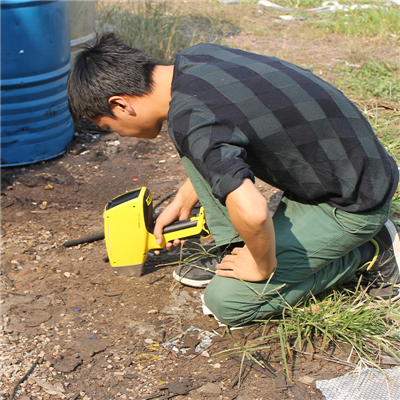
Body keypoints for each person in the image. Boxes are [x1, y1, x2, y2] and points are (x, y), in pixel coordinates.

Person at [67, 33, 400, 327]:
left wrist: (261, 265)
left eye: (109, 127)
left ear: (121, 105)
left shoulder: (190, 120)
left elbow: (253, 211)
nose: (120, 135)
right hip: (343, 167)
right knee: (190, 140)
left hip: (351, 203)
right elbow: (227, 129)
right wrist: (186, 196)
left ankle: (369, 252)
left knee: (227, 303)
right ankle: (235, 249)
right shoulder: (195, 60)